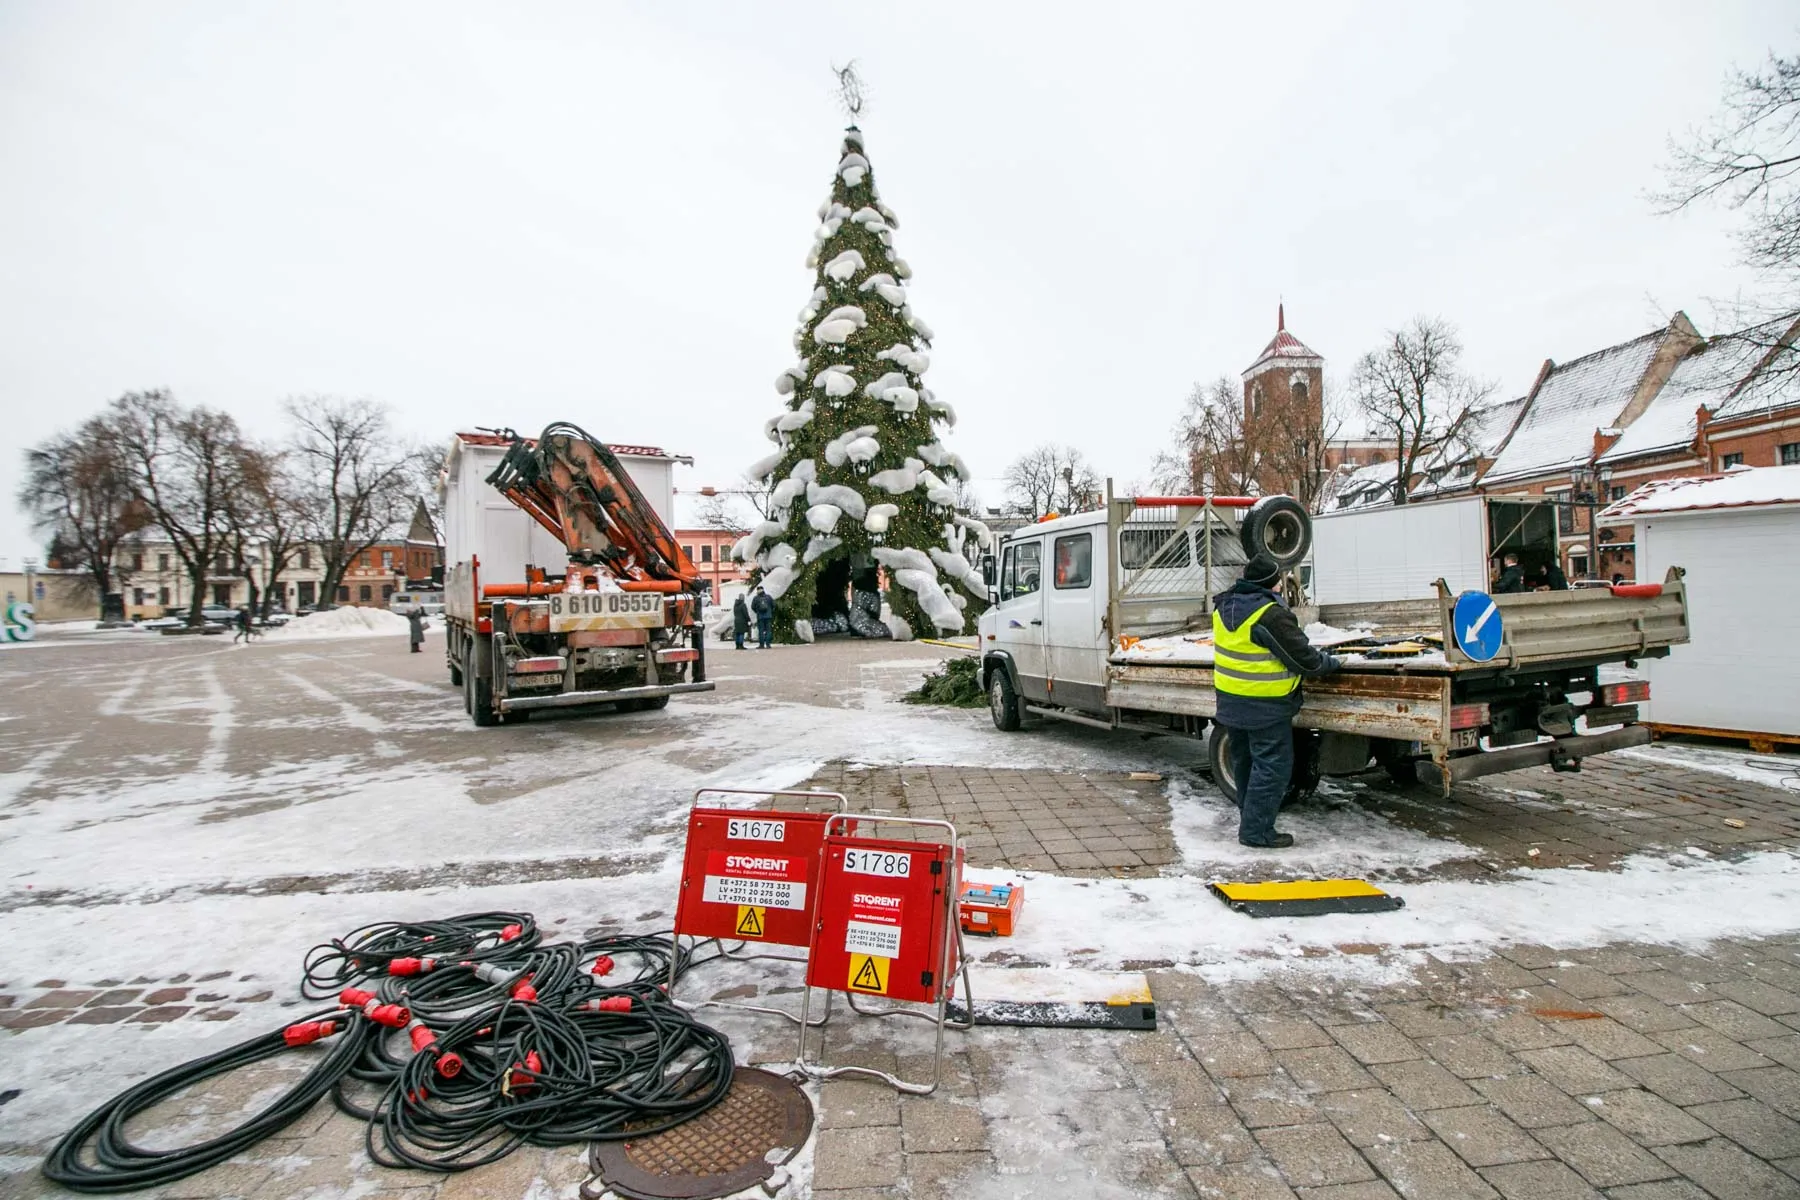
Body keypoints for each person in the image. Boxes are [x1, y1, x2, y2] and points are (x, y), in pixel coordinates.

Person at [1211, 554, 1342, 848]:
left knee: (1245, 763)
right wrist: (1332, 663)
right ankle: (1256, 832)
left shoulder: (1223, 608)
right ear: (1272, 584)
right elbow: (1305, 660)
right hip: (1265, 707)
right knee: (1272, 768)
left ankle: (1251, 819)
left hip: (1232, 703)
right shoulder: (1269, 614)